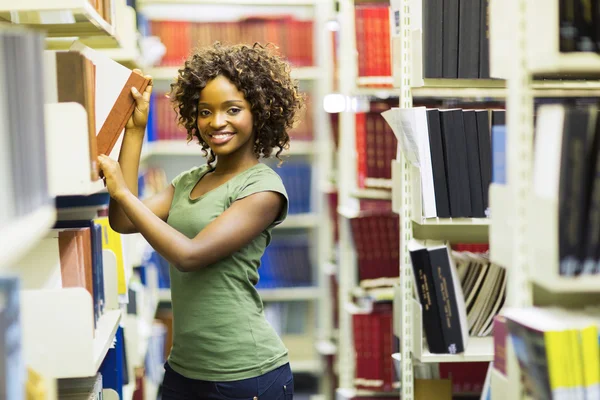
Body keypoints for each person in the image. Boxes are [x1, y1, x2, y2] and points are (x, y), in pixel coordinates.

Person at [98, 42, 304, 399]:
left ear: (259, 112)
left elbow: (190, 256)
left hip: (247, 375)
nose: (216, 122)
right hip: (182, 369)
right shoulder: (191, 180)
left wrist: (124, 194)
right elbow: (124, 221)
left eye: (232, 109)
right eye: (205, 111)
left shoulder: (264, 189)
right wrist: (134, 131)